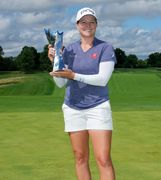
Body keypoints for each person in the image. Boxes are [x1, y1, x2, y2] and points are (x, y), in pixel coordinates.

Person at [47, 7, 116, 180]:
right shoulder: (69, 50)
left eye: (91, 21)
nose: (88, 25)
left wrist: (74, 75)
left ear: (96, 25)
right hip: (73, 107)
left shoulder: (105, 48)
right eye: (83, 22)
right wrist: (55, 63)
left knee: (103, 158)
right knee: (80, 158)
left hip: (98, 106)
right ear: (77, 25)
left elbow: (102, 79)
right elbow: (61, 83)